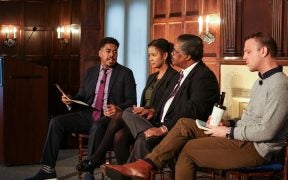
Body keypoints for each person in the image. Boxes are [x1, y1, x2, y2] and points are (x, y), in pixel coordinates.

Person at [101, 32, 288, 180]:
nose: (243, 56)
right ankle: (144, 165)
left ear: (263, 51)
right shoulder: (261, 81)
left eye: (248, 51)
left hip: (255, 149)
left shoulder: (280, 85)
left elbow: (267, 132)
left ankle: (144, 166)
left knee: (187, 149)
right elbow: (252, 121)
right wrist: (230, 123)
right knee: (185, 124)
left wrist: (228, 132)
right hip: (241, 138)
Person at [26, 37, 137, 180]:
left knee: (97, 127)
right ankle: (48, 170)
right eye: (108, 51)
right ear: (100, 53)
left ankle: (88, 172)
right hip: (88, 115)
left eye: (115, 52)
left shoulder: (125, 73)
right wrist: (70, 101)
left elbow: (131, 101)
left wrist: (118, 108)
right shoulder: (91, 72)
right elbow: (82, 97)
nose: (112, 55)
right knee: (56, 122)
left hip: (108, 119)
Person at [75, 38, 178, 173]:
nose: (150, 59)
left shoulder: (174, 77)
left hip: (156, 121)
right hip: (142, 118)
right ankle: (127, 173)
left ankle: (95, 159)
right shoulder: (152, 77)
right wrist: (141, 110)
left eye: (153, 55)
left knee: (123, 113)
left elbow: (170, 105)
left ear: (164, 56)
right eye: (149, 55)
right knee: (119, 136)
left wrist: (148, 110)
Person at [118, 34, 220, 164]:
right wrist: (152, 111)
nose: (172, 53)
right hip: (159, 121)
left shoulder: (203, 77)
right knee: (127, 112)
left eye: (176, 52)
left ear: (187, 56)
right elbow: (166, 101)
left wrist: (164, 128)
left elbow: (193, 111)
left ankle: (128, 174)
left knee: (143, 139)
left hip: (176, 130)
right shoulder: (182, 73)